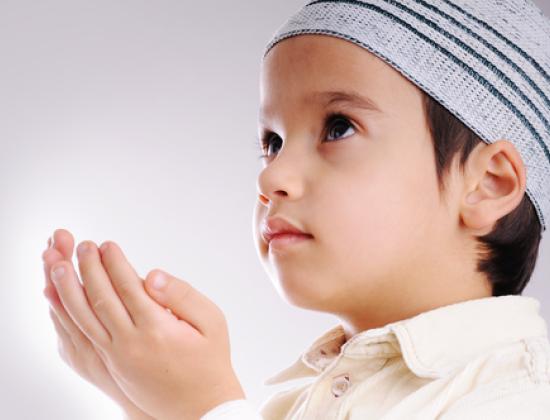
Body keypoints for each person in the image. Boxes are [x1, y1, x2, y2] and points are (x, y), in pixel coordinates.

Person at [42, 0, 550, 419]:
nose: (271, 177)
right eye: (273, 142)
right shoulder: (297, 403)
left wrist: (203, 408)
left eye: (338, 127)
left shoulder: (522, 395)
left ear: (488, 184)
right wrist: (146, 404)